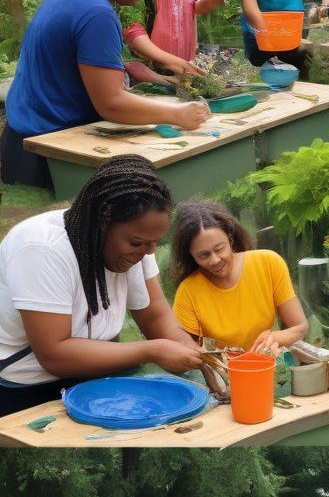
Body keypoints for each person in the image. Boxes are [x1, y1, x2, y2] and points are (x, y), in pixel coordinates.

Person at [1, 0, 210, 189]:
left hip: (20, 143)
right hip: (48, 154)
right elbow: (111, 103)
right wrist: (177, 114)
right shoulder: (96, 13)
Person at [0, 157, 206, 416]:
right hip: (28, 387)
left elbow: (155, 314)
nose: (148, 252)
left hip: (96, 373)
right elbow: (54, 354)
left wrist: (199, 357)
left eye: (155, 242)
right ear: (101, 223)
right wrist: (153, 350)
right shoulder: (41, 249)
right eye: (137, 243)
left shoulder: (140, 245)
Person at [170, 201, 307, 355]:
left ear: (230, 238)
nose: (215, 260)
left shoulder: (269, 263)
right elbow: (187, 351)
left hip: (268, 366)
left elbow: (300, 327)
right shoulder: (188, 290)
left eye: (219, 249)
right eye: (204, 255)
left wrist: (275, 337)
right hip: (223, 372)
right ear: (191, 255)